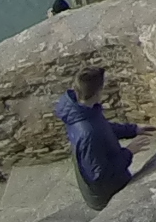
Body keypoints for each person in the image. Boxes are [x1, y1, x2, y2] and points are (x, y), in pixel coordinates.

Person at [55, 66, 143, 211]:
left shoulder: (79, 110)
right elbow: (99, 176)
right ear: (98, 92)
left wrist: (133, 130)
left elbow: (102, 128)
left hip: (104, 186)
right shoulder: (87, 133)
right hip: (107, 195)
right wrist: (129, 152)